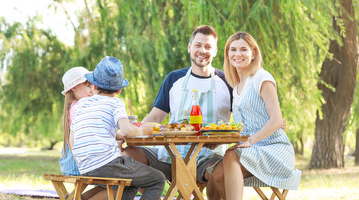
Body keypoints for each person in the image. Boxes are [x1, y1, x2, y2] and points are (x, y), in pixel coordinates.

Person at [125, 25, 232, 200]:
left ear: (215, 51)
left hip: (208, 157)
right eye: (198, 45)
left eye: (208, 47)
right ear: (190, 47)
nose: (202, 50)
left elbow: (241, 119)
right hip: (169, 155)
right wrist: (132, 130)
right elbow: (155, 118)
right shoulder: (174, 79)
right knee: (128, 155)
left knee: (222, 172)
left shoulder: (227, 82)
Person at [216, 32, 301, 199]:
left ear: (253, 53)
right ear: (227, 54)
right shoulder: (237, 86)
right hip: (251, 150)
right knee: (216, 175)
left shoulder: (262, 78)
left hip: (275, 150)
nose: (237, 54)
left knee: (230, 155)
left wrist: (250, 141)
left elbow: (277, 120)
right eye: (233, 49)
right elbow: (243, 125)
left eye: (243, 49)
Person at [70, 56, 166, 200]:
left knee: (130, 183)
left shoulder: (81, 104)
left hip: (84, 166)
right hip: (107, 163)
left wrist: (117, 135)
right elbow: (128, 131)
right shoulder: (115, 103)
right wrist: (149, 129)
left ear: (94, 86)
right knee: (157, 179)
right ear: (120, 90)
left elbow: (74, 137)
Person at [59, 66, 110, 200]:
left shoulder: (75, 107)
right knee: (118, 184)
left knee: (112, 184)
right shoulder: (78, 108)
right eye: (87, 85)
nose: (92, 89)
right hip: (80, 163)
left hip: (74, 162)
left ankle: (75, 198)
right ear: (74, 88)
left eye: (93, 86)